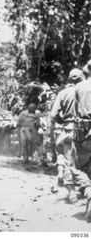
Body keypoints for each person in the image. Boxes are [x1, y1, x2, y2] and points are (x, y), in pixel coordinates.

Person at [50, 68, 85, 203]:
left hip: (69, 129)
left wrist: (63, 121)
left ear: (69, 79)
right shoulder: (87, 90)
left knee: (69, 162)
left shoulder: (63, 93)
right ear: (82, 77)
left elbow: (54, 115)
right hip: (87, 130)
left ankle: (72, 193)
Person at [73, 70, 91, 221]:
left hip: (83, 132)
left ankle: (88, 191)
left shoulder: (79, 87)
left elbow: (75, 113)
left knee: (77, 167)